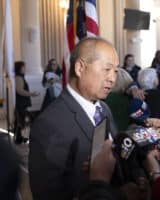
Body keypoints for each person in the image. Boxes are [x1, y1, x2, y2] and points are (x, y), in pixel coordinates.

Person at [29, 37, 119, 200]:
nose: (112, 79)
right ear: (79, 68)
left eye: (116, 71)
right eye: (107, 69)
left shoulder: (103, 109)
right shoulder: (49, 124)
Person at [14, 61, 39, 144]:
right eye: (24, 67)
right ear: (20, 68)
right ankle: (20, 138)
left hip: (21, 103)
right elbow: (20, 90)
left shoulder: (20, 77)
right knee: (22, 121)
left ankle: (20, 138)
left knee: (21, 121)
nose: (25, 68)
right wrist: (31, 94)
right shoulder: (18, 78)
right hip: (21, 103)